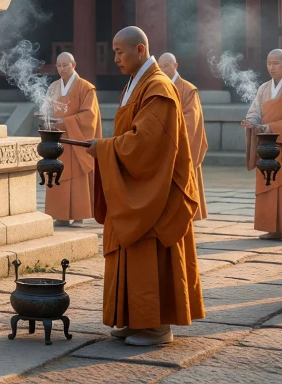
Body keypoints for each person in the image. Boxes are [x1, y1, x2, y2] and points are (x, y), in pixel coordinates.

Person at [87, 27, 203, 347]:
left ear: (140, 50)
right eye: (113, 52)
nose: (115, 58)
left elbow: (147, 144)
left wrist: (104, 148)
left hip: (156, 189)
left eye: (119, 52)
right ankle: (132, 318)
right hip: (136, 183)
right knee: (129, 245)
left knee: (149, 249)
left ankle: (156, 325)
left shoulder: (158, 88)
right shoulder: (136, 84)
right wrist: (108, 149)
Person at [241, 49, 282, 240]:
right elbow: (255, 110)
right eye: (269, 63)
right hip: (267, 145)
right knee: (267, 184)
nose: (271, 67)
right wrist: (252, 123)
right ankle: (272, 227)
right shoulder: (263, 88)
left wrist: (268, 126)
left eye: (276, 63)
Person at [43, 52, 100, 226]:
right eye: (59, 65)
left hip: (76, 140)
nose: (61, 69)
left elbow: (89, 116)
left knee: (77, 176)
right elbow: (46, 109)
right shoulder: (53, 87)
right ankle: (60, 215)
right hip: (58, 140)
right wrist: (46, 119)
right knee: (57, 173)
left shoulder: (86, 88)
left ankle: (79, 215)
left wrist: (66, 123)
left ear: (74, 65)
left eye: (65, 65)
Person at [157, 53, 208, 221]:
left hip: (181, 144)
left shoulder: (188, 89)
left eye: (166, 65)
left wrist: (169, 133)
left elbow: (191, 120)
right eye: (160, 66)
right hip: (161, 144)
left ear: (175, 66)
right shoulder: (157, 87)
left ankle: (187, 214)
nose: (162, 69)